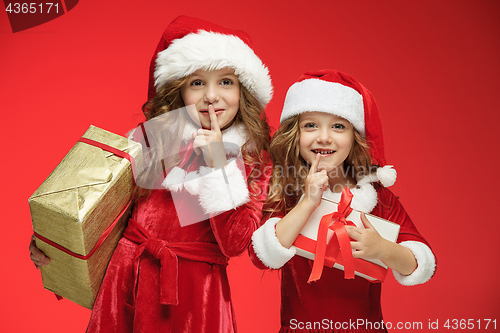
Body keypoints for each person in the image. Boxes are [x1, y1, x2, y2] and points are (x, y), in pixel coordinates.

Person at [29, 15, 273, 333]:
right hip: (126, 283)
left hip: (194, 298)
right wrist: (58, 244)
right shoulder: (151, 140)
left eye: (226, 82)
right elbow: (101, 213)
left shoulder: (253, 157)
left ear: (244, 90)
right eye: (197, 82)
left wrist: (215, 163)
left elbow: (234, 241)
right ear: (178, 90)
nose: (212, 96)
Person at [250, 69, 436, 332]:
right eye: (310, 125)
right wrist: (307, 202)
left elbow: (421, 263)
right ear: (295, 133)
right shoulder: (286, 191)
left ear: (354, 136)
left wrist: (383, 249)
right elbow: (262, 256)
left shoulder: (376, 197)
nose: (324, 136)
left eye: (338, 126)